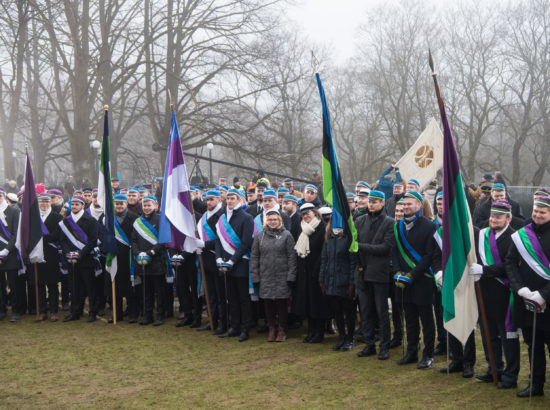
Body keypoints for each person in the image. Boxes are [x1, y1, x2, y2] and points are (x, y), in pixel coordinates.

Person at [468, 200, 520, 388]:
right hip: (484, 293)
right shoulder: (482, 235)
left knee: (508, 337)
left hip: (505, 295)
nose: (493, 219)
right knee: (488, 335)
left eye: (498, 217)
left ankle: (510, 376)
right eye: (492, 216)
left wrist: (484, 270)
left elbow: (510, 266)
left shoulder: (515, 238)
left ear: (508, 218)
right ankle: (493, 369)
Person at [506, 195, 550, 398]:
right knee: (533, 346)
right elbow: (510, 262)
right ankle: (536, 385)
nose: (537, 215)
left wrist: (543, 295)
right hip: (527, 300)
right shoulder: (523, 234)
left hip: (547, 301)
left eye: (542, 212)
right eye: (535, 211)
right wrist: (520, 289)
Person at [432, 192, 476, 378]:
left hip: (465, 282)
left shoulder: (470, 231)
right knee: (449, 319)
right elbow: (434, 256)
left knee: (467, 323)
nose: (443, 207)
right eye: (439, 203)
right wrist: (439, 272)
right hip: (447, 282)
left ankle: (468, 362)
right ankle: (456, 359)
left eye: (446, 203)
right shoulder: (439, 232)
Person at [392, 191, 437, 369]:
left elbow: (429, 255)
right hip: (402, 281)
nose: (406, 207)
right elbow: (393, 252)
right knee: (409, 319)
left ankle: (428, 354)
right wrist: (397, 272)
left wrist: (412, 275)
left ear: (419, 205)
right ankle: (411, 352)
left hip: (422, 280)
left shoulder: (430, 226)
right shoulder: (397, 227)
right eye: (404, 204)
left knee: (426, 320)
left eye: (410, 204)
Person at [355, 190, 394, 359]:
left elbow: (385, 248)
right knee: (365, 311)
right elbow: (353, 246)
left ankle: (384, 346)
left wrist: (361, 247)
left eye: (375, 201)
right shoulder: (359, 221)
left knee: (381, 311)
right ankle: (369, 344)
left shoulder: (389, 222)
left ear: (382, 203)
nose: (371, 204)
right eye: (370, 201)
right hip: (362, 271)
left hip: (379, 273)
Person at [250, 210, 297, 342]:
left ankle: (281, 329)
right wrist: (255, 275)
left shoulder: (287, 235)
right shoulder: (260, 236)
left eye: (275, 219)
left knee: (282, 303)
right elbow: (254, 257)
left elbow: (291, 257)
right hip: (265, 276)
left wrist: (291, 276)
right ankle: (271, 328)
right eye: (270, 219)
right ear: (266, 221)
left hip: (282, 276)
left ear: (279, 221)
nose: (272, 222)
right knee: (268, 303)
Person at [215, 188, 254, 342]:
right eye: (228, 198)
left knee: (243, 299)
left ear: (239, 200)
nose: (229, 201)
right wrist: (218, 258)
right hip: (224, 264)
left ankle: (245, 329)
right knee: (231, 298)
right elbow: (218, 239)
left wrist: (232, 260)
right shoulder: (222, 218)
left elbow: (246, 243)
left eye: (233, 198)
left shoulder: (247, 218)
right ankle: (234, 326)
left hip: (240, 263)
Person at [319, 216, 357, 351]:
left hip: (345, 280)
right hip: (331, 280)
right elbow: (324, 259)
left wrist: (352, 283)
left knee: (349, 312)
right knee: (337, 312)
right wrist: (322, 279)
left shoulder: (348, 238)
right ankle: (342, 337)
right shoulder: (328, 238)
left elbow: (353, 262)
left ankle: (350, 338)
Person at [59, 195, 99, 323]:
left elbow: (93, 241)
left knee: (90, 287)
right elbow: (62, 240)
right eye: (73, 204)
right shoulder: (66, 221)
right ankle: (75, 311)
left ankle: (92, 312)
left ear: (82, 205)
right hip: (71, 260)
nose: (75, 206)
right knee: (74, 287)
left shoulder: (91, 220)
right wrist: (67, 253)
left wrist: (80, 254)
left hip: (86, 259)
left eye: (77, 204)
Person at [293, 203, 327, 343]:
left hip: (317, 271)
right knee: (307, 303)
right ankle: (311, 331)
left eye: (309, 212)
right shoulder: (300, 227)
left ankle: (319, 333)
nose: (306, 215)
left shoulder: (322, 227)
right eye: (304, 213)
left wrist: (317, 269)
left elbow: (323, 250)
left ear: (315, 213)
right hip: (304, 271)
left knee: (318, 303)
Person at [131, 196, 166, 326]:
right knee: (146, 291)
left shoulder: (160, 220)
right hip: (142, 262)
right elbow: (133, 240)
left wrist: (151, 253)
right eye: (144, 206)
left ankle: (160, 316)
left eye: (148, 205)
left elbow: (163, 240)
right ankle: (148, 315)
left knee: (159, 291)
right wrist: (137, 253)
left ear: (155, 205)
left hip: (156, 261)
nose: (146, 208)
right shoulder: (137, 222)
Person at [196, 190, 226, 334]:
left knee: (221, 294)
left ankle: (223, 322)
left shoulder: (223, 215)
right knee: (210, 293)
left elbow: (222, 239)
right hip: (206, 259)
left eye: (212, 199)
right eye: (207, 200)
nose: (208, 202)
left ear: (219, 199)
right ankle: (212, 320)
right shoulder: (204, 216)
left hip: (218, 258)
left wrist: (204, 244)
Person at [109, 194, 139, 323]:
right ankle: (117, 313)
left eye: (121, 203)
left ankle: (133, 313)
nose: (119, 206)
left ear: (126, 204)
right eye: (117, 204)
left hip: (128, 256)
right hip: (114, 256)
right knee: (115, 287)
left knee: (130, 286)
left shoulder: (134, 218)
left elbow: (136, 236)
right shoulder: (109, 218)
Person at [36, 193, 63, 322]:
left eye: (46, 202)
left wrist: (39, 238)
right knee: (39, 284)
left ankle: (53, 311)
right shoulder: (33, 217)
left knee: (52, 284)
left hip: (52, 254)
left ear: (50, 203)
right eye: (41, 202)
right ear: (38, 203)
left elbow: (56, 235)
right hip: (37, 254)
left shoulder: (57, 217)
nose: (44, 204)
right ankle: (42, 311)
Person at [0, 188, 22, 321]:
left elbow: (16, 233)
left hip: (11, 252)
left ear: (4, 196)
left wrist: (6, 250)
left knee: (14, 285)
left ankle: (15, 310)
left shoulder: (14, 211)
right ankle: (2, 310)